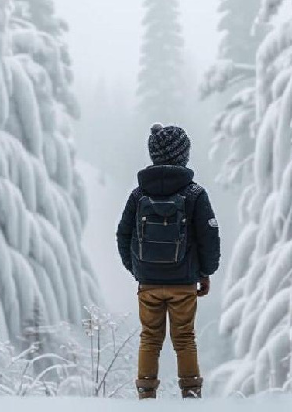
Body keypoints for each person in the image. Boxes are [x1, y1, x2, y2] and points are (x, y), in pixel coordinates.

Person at [116, 123, 221, 399]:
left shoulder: (139, 194)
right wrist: (206, 272)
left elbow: (123, 233)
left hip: (148, 282)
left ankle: (146, 395)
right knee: (184, 337)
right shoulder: (195, 194)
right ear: (183, 155)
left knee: (150, 337)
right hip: (184, 282)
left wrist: (136, 268)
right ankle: (191, 393)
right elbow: (209, 235)